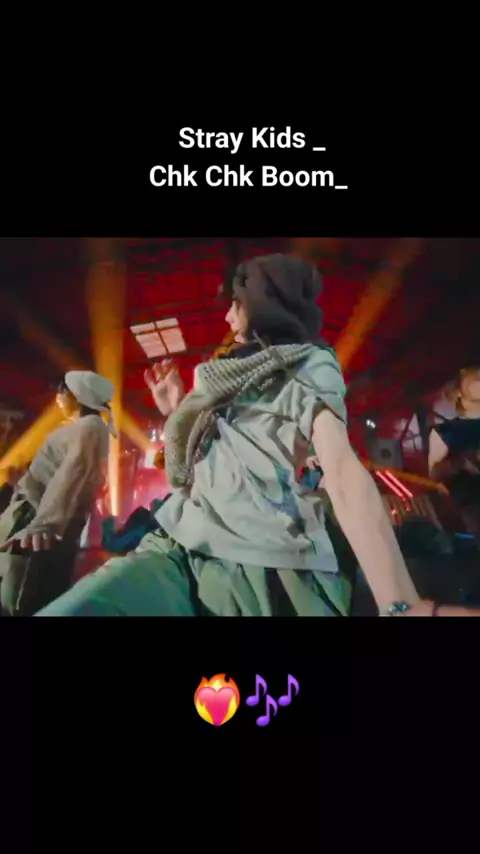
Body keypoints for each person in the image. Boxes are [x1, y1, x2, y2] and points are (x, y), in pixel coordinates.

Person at [38, 254, 421, 617]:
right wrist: (176, 408)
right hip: (177, 541)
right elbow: (212, 458)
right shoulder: (221, 376)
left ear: (265, 303)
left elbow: (341, 469)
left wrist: (400, 603)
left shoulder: (308, 364)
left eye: (236, 304)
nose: (226, 316)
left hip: (256, 560)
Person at [0, 371, 114, 615]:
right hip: (40, 514)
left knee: (19, 596)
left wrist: (45, 524)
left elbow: (74, 470)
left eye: (61, 393)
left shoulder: (90, 427)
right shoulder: (86, 427)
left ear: (76, 396)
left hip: (35, 516)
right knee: (35, 593)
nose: (58, 400)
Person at [428, 367, 480, 547]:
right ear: (458, 392)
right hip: (474, 502)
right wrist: (461, 462)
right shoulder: (444, 432)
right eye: (473, 377)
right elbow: (435, 475)